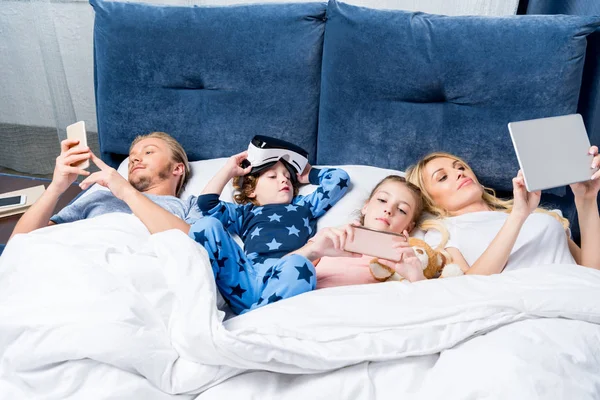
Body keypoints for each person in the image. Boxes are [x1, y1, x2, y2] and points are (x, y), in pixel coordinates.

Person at [79, 143, 351, 314]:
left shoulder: (304, 206)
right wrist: (228, 171)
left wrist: (307, 173)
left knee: (300, 267)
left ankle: (255, 319)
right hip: (247, 273)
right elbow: (207, 205)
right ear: (253, 190)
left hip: (281, 274)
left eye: (288, 178)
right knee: (207, 226)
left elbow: (339, 179)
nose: (284, 181)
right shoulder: (245, 212)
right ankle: (239, 310)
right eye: (273, 176)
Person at [404, 149, 600, 275]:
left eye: (461, 167)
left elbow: (592, 273)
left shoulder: (539, 215)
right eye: (443, 177)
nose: (459, 173)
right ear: (429, 200)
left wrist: (586, 200)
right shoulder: (443, 232)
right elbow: (466, 288)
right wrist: (517, 216)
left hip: (580, 303)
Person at [10, 131, 196, 240]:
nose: (135, 158)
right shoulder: (100, 197)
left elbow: (193, 246)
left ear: (177, 169)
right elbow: (19, 244)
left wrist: (126, 191)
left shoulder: (189, 207)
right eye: (131, 157)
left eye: (149, 152)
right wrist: (56, 187)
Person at [289, 175, 428, 288]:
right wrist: (313, 251)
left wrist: (416, 278)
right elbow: (276, 274)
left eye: (402, 210)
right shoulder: (332, 237)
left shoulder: (410, 259)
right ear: (366, 206)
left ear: (409, 228)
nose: (388, 209)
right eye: (382, 200)